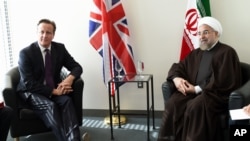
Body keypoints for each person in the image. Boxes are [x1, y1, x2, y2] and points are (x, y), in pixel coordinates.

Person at [157, 17, 242, 141]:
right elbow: (179, 66)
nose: (201, 36)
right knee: (173, 103)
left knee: (195, 106)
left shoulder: (227, 52)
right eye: (199, 33)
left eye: (206, 32)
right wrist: (177, 78)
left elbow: (223, 81)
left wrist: (196, 89)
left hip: (214, 95)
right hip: (194, 93)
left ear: (216, 33)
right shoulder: (196, 53)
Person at [17, 19, 89, 141]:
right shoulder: (25, 53)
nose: (44, 36)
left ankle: (74, 139)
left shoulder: (59, 49)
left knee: (66, 101)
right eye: (42, 32)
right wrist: (54, 92)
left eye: (48, 33)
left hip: (53, 89)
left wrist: (69, 79)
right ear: (37, 33)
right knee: (50, 106)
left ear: (53, 35)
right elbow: (28, 84)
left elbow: (77, 67)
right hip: (31, 92)